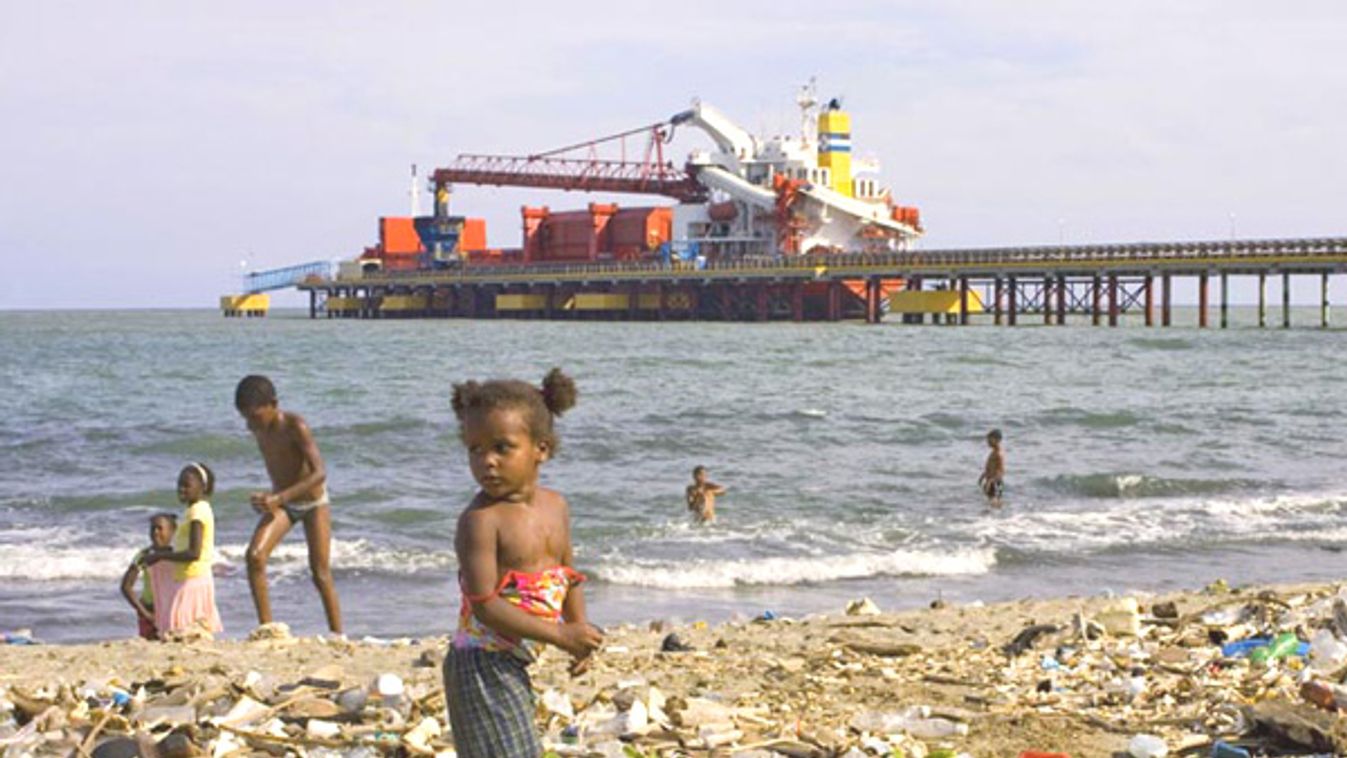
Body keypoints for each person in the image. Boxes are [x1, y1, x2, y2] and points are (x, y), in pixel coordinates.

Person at [446, 368, 603, 757]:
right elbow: (485, 606)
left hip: (516, 660)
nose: (488, 462)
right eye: (475, 449)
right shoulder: (481, 521)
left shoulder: (556, 506)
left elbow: (569, 575)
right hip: (480, 665)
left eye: (502, 447)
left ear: (542, 448)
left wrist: (576, 629)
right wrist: (561, 637)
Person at [235, 375, 343, 634]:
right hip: (283, 503)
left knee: (320, 572)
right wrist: (268, 499)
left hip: (313, 502)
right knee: (255, 557)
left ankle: (338, 634)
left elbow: (319, 473)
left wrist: (278, 498)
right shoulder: (258, 428)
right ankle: (266, 629)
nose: (251, 424)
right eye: (245, 418)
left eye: (255, 416)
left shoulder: (296, 426)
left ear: (274, 404)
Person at [145, 462, 223, 635]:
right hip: (190, 577)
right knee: (190, 631)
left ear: (202, 487)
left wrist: (161, 557)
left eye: (186, 485)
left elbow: (193, 553)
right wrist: (163, 554)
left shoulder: (197, 512)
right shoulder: (194, 511)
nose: (181, 489)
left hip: (193, 580)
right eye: (179, 485)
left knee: (180, 628)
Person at [120, 513, 177, 640]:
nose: (155, 533)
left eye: (160, 528)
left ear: (172, 531)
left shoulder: (179, 555)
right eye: (152, 529)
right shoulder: (144, 555)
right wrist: (145, 613)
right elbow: (126, 586)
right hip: (150, 609)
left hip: (173, 610)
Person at [978, 428, 1006, 508]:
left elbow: (1001, 471)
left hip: (996, 482)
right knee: (991, 502)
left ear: (997, 440)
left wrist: (991, 481)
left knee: (995, 502)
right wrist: (983, 475)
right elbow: (991, 467)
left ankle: (998, 518)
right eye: (987, 439)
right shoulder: (993, 452)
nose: (988, 442)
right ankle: (993, 519)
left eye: (990, 439)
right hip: (991, 481)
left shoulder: (999, 454)